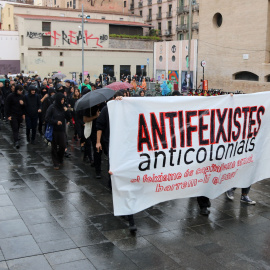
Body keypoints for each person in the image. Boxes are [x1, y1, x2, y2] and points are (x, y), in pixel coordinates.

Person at [96, 91, 137, 233]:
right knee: (116, 172)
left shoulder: (128, 109)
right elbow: (99, 126)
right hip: (112, 145)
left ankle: (128, 212)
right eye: (123, 96)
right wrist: (98, 142)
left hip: (127, 147)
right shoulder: (108, 109)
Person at [45, 93, 71, 169]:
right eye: (62, 99)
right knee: (54, 147)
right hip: (54, 130)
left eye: (63, 99)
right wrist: (56, 122)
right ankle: (55, 162)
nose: (63, 101)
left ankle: (60, 158)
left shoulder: (63, 107)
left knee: (63, 146)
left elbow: (69, 117)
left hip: (62, 130)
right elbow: (47, 118)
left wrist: (67, 111)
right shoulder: (52, 107)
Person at [5, 85, 25, 149]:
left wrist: (23, 104)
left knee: (18, 127)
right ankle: (16, 141)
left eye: (21, 91)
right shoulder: (10, 96)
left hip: (19, 115)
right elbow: (7, 106)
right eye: (19, 91)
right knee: (15, 128)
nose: (20, 92)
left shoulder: (22, 96)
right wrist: (8, 115)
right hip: (13, 115)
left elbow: (24, 106)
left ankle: (16, 137)